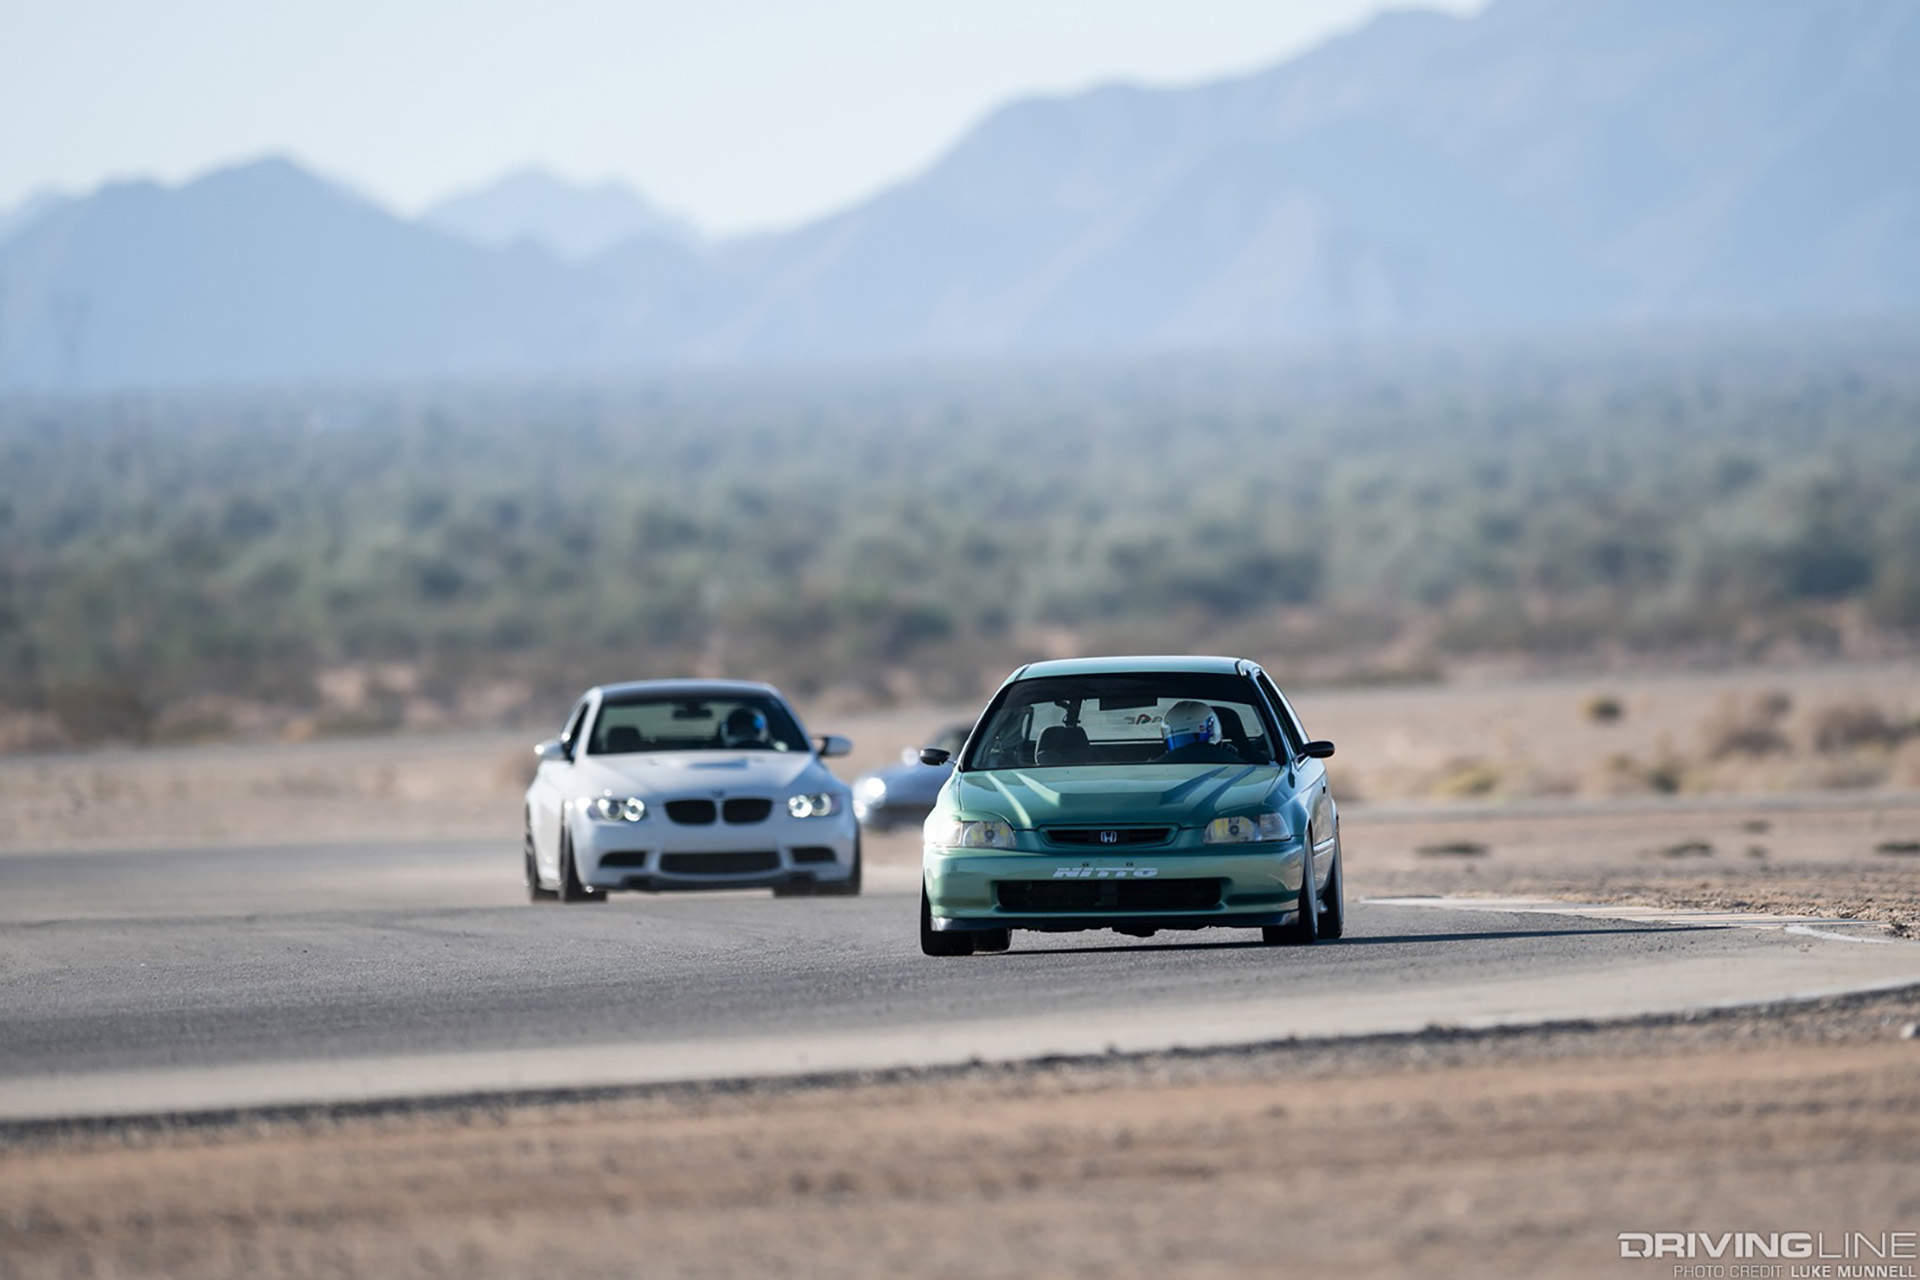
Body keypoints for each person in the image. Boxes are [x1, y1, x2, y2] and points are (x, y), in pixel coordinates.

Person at [1153, 700, 1243, 764]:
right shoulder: (1239, 766)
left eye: (1192, 739)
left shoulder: (1156, 768)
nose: (1189, 751)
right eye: (1180, 740)